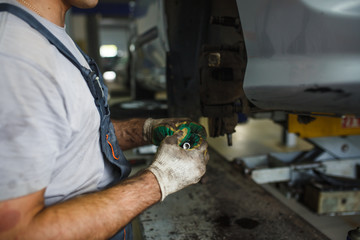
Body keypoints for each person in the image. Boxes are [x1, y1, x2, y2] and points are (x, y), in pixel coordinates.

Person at [0, 0, 209, 239]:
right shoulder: (16, 58)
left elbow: (77, 135)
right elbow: (16, 232)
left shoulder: (45, 35)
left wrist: (147, 130)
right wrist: (160, 179)